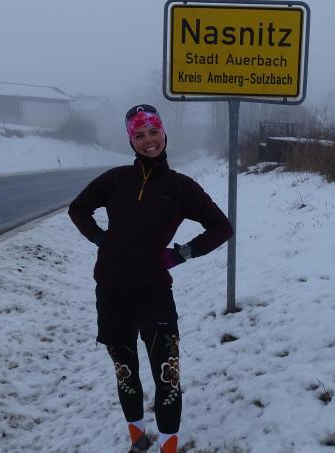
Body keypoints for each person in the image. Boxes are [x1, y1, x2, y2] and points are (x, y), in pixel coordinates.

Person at [68, 104, 233, 453]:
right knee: (125, 369)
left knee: (167, 374)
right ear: (131, 140)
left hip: (154, 291)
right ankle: (137, 438)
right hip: (111, 290)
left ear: (164, 133)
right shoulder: (115, 180)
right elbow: (78, 208)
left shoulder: (180, 187)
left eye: (153, 132)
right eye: (139, 135)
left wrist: (180, 254)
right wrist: (100, 238)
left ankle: (168, 447)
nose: (148, 141)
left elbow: (221, 228)